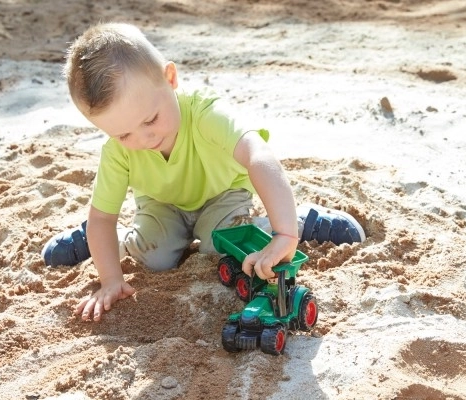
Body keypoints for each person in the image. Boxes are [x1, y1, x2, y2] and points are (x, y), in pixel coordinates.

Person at [42, 22, 365, 321]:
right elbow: (102, 217)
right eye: (124, 135)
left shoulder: (206, 113)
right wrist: (111, 280)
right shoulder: (117, 152)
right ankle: (106, 243)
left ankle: (298, 221)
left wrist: (285, 235)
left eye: (150, 120)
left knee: (225, 247)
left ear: (170, 79)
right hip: (161, 204)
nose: (145, 139)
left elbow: (258, 155)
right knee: (156, 259)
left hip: (222, 194)